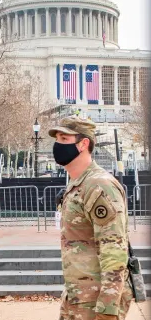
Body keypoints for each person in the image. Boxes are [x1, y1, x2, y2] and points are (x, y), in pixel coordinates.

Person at [49, 116, 134, 320]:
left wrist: (107, 310)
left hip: (97, 302)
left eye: (64, 139)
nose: (57, 145)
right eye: (57, 139)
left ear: (83, 143)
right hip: (77, 297)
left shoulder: (99, 185)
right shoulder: (77, 184)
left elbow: (114, 251)